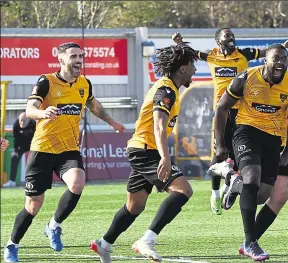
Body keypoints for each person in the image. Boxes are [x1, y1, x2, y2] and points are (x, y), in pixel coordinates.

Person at [3, 42, 126, 263]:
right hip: (42, 149)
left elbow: (92, 104)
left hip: (68, 149)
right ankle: (12, 244)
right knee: (33, 205)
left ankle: (54, 225)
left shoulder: (84, 83)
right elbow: (29, 109)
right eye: (73, 56)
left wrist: (111, 121)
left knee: (77, 182)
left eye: (81, 56)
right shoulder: (46, 81)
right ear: (61, 60)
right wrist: (43, 113)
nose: (79, 60)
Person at [90, 44, 198, 263]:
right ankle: (147, 240)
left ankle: (104, 243)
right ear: (182, 68)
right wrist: (165, 158)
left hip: (142, 149)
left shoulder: (171, 89)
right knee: (183, 190)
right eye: (192, 65)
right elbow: (159, 126)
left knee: (135, 205)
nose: (195, 70)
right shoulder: (166, 90)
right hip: (145, 150)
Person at [172, 29, 288, 215]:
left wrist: (282, 46)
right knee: (219, 152)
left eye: (233, 37)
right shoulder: (211, 56)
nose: (231, 39)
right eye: (227, 37)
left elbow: (266, 54)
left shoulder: (243, 54)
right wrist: (180, 43)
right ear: (218, 41)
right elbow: (193, 54)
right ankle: (215, 193)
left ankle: (231, 187)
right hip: (223, 110)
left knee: (240, 157)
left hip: (243, 112)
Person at [214, 44, 288, 261]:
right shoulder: (246, 78)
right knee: (252, 178)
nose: (280, 62)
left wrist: (287, 150)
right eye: (276, 58)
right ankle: (250, 242)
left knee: (261, 195)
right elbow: (222, 108)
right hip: (246, 131)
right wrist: (219, 145)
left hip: (273, 139)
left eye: (284, 59)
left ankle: (235, 184)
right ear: (266, 61)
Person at [3, 113, 36, 188]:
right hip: (21, 146)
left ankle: (34, 181)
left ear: (29, 120)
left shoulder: (33, 124)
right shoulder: (16, 124)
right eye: (21, 120)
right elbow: (15, 138)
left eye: (24, 121)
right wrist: (15, 150)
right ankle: (12, 181)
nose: (22, 123)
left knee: (34, 162)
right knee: (14, 158)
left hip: (32, 145)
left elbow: (37, 137)